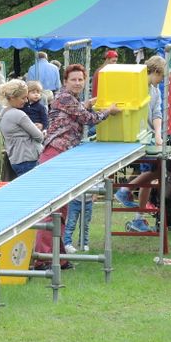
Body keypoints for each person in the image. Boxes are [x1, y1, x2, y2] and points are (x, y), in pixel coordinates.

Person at [33, 63, 119, 262]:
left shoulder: (72, 99)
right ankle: (44, 259)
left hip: (65, 155)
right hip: (55, 154)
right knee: (52, 209)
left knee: (62, 208)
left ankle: (59, 258)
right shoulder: (64, 97)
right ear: (65, 82)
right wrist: (108, 110)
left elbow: (78, 111)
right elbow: (88, 119)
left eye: (81, 79)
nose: (78, 83)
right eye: (73, 79)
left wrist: (87, 103)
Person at [115, 55, 167, 232]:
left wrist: (159, 135)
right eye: (161, 76)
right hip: (138, 136)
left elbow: (157, 113)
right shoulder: (137, 86)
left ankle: (138, 217)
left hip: (150, 136)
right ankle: (124, 189)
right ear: (155, 71)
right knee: (156, 171)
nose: (161, 80)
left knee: (151, 174)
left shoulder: (156, 90)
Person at [0, 79, 45, 177]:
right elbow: (39, 137)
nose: (26, 101)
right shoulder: (19, 114)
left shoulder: (3, 113)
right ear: (12, 98)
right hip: (28, 159)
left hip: (15, 160)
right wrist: (42, 131)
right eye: (23, 98)